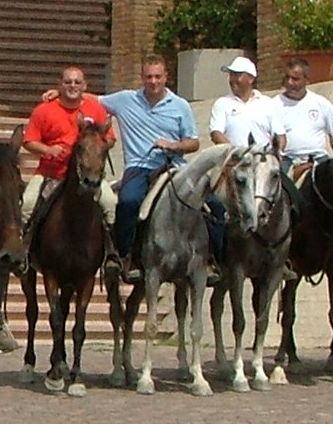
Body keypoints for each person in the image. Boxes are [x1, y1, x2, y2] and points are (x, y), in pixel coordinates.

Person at [101, 54, 200, 276]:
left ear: (166, 77)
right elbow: (91, 100)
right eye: (148, 77)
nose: (153, 81)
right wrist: (58, 94)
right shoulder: (126, 100)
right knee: (128, 201)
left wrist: (173, 145)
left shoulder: (180, 105)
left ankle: (213, 259)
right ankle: (125, 256)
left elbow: (194, 142)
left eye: (157, 76)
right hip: (140, 165)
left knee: (209, 202)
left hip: (174, 165)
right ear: (142, 78)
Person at [20, 63, 115, 226]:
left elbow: (110, 139)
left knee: (110, 204)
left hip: (88, 175)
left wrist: (97, 147)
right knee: (26, 206)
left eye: (77, 82)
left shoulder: (96, 109)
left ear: (84, 86)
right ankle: (24, 240)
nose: (73, 86)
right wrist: (48, 149)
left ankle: (111, 241)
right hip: (50, 174)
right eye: (68, 82)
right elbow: (29, 141)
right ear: (60, 85)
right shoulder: (43, 110)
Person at [273, 55, 333, 217]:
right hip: (287, 160)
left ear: (307, 80)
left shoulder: (320, 103)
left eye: (295, 79)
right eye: (287, 78)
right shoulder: (273, 105)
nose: (290, 83)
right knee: (274, 194)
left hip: (319, 160)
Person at [209, 55, 282, 152]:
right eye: (231, 75)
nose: (232, 79)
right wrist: (236, 152)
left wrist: (275, 153)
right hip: (235, 159)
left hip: (263, 158)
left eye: (237, 75)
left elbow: (280, 135)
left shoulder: (267, 103)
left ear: (251, 79)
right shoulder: (222, 103)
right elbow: (216, 134)